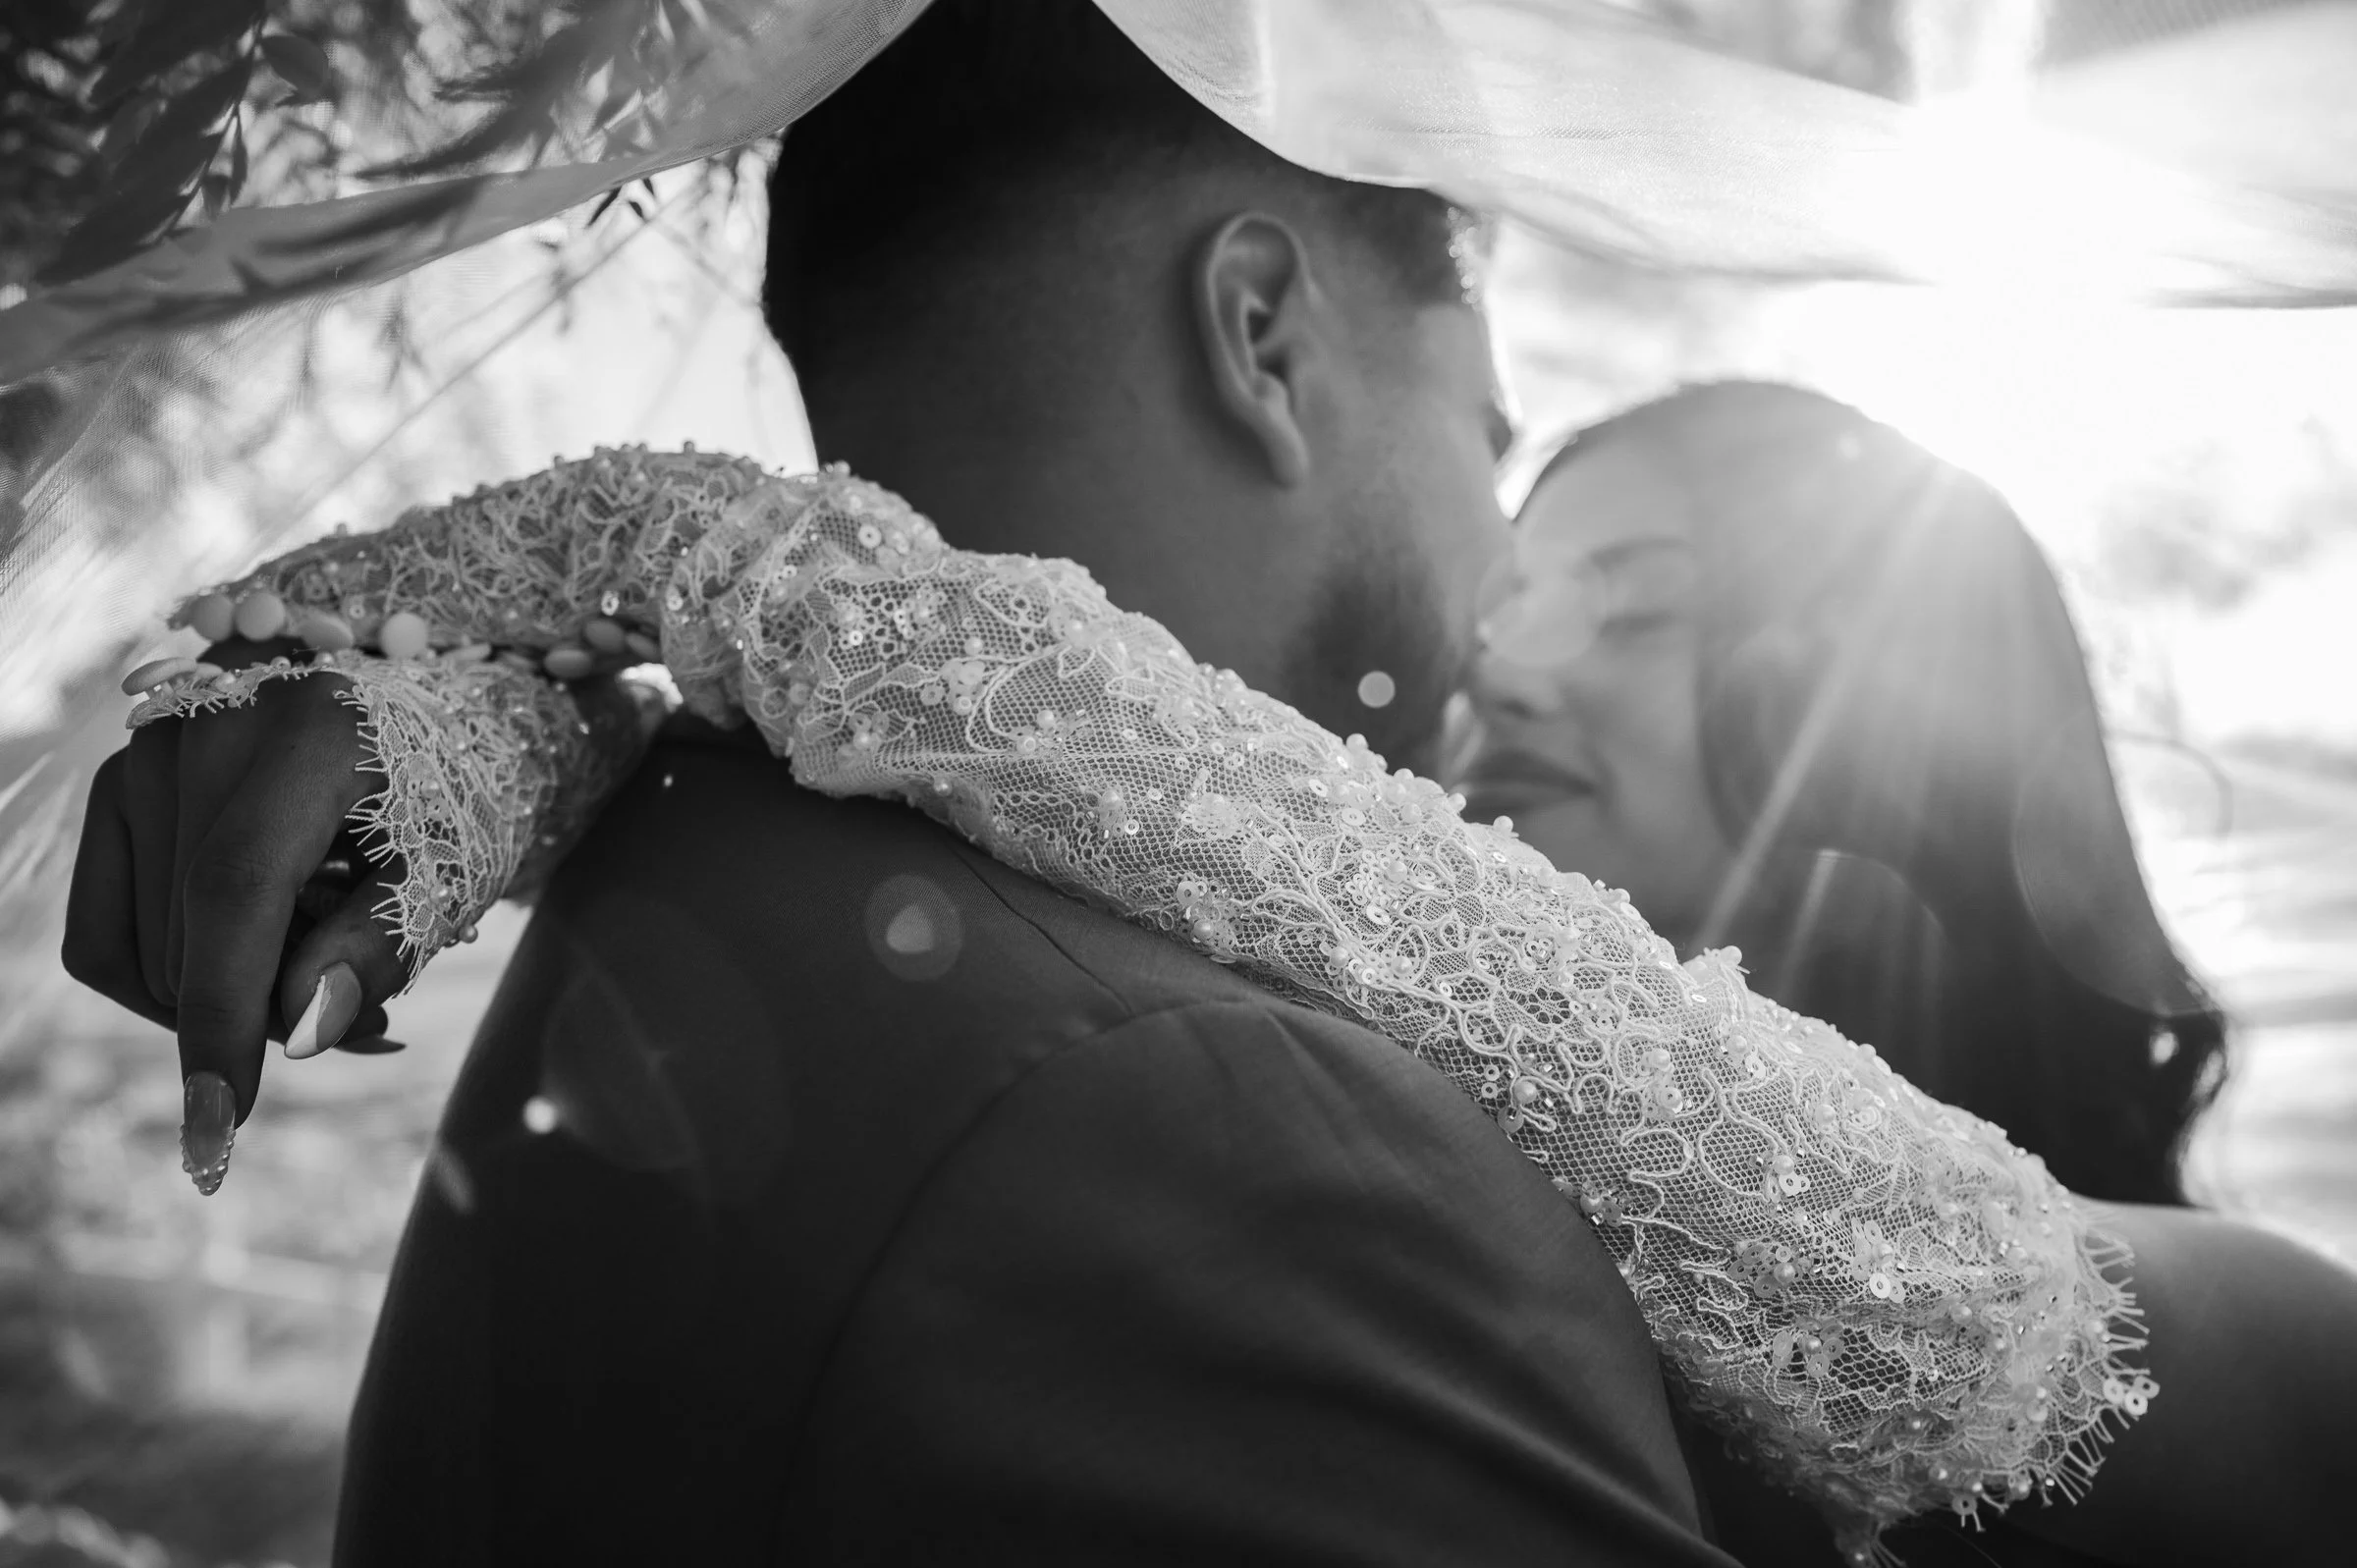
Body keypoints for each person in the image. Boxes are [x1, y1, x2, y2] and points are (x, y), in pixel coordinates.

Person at [58, 14, 2357, 1568]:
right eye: (1494, 459)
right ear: (1263, 337)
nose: (1501, 639)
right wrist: (629, 578)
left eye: (1624, 604)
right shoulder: (1235, 1126)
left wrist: (662, 563)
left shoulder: (697, 847)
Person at [1457, 383, 2225, 1205]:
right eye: (1505, 615)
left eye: (1635, 611)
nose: (1494, 675)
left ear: (1879, 710)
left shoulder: (2265, 1315)